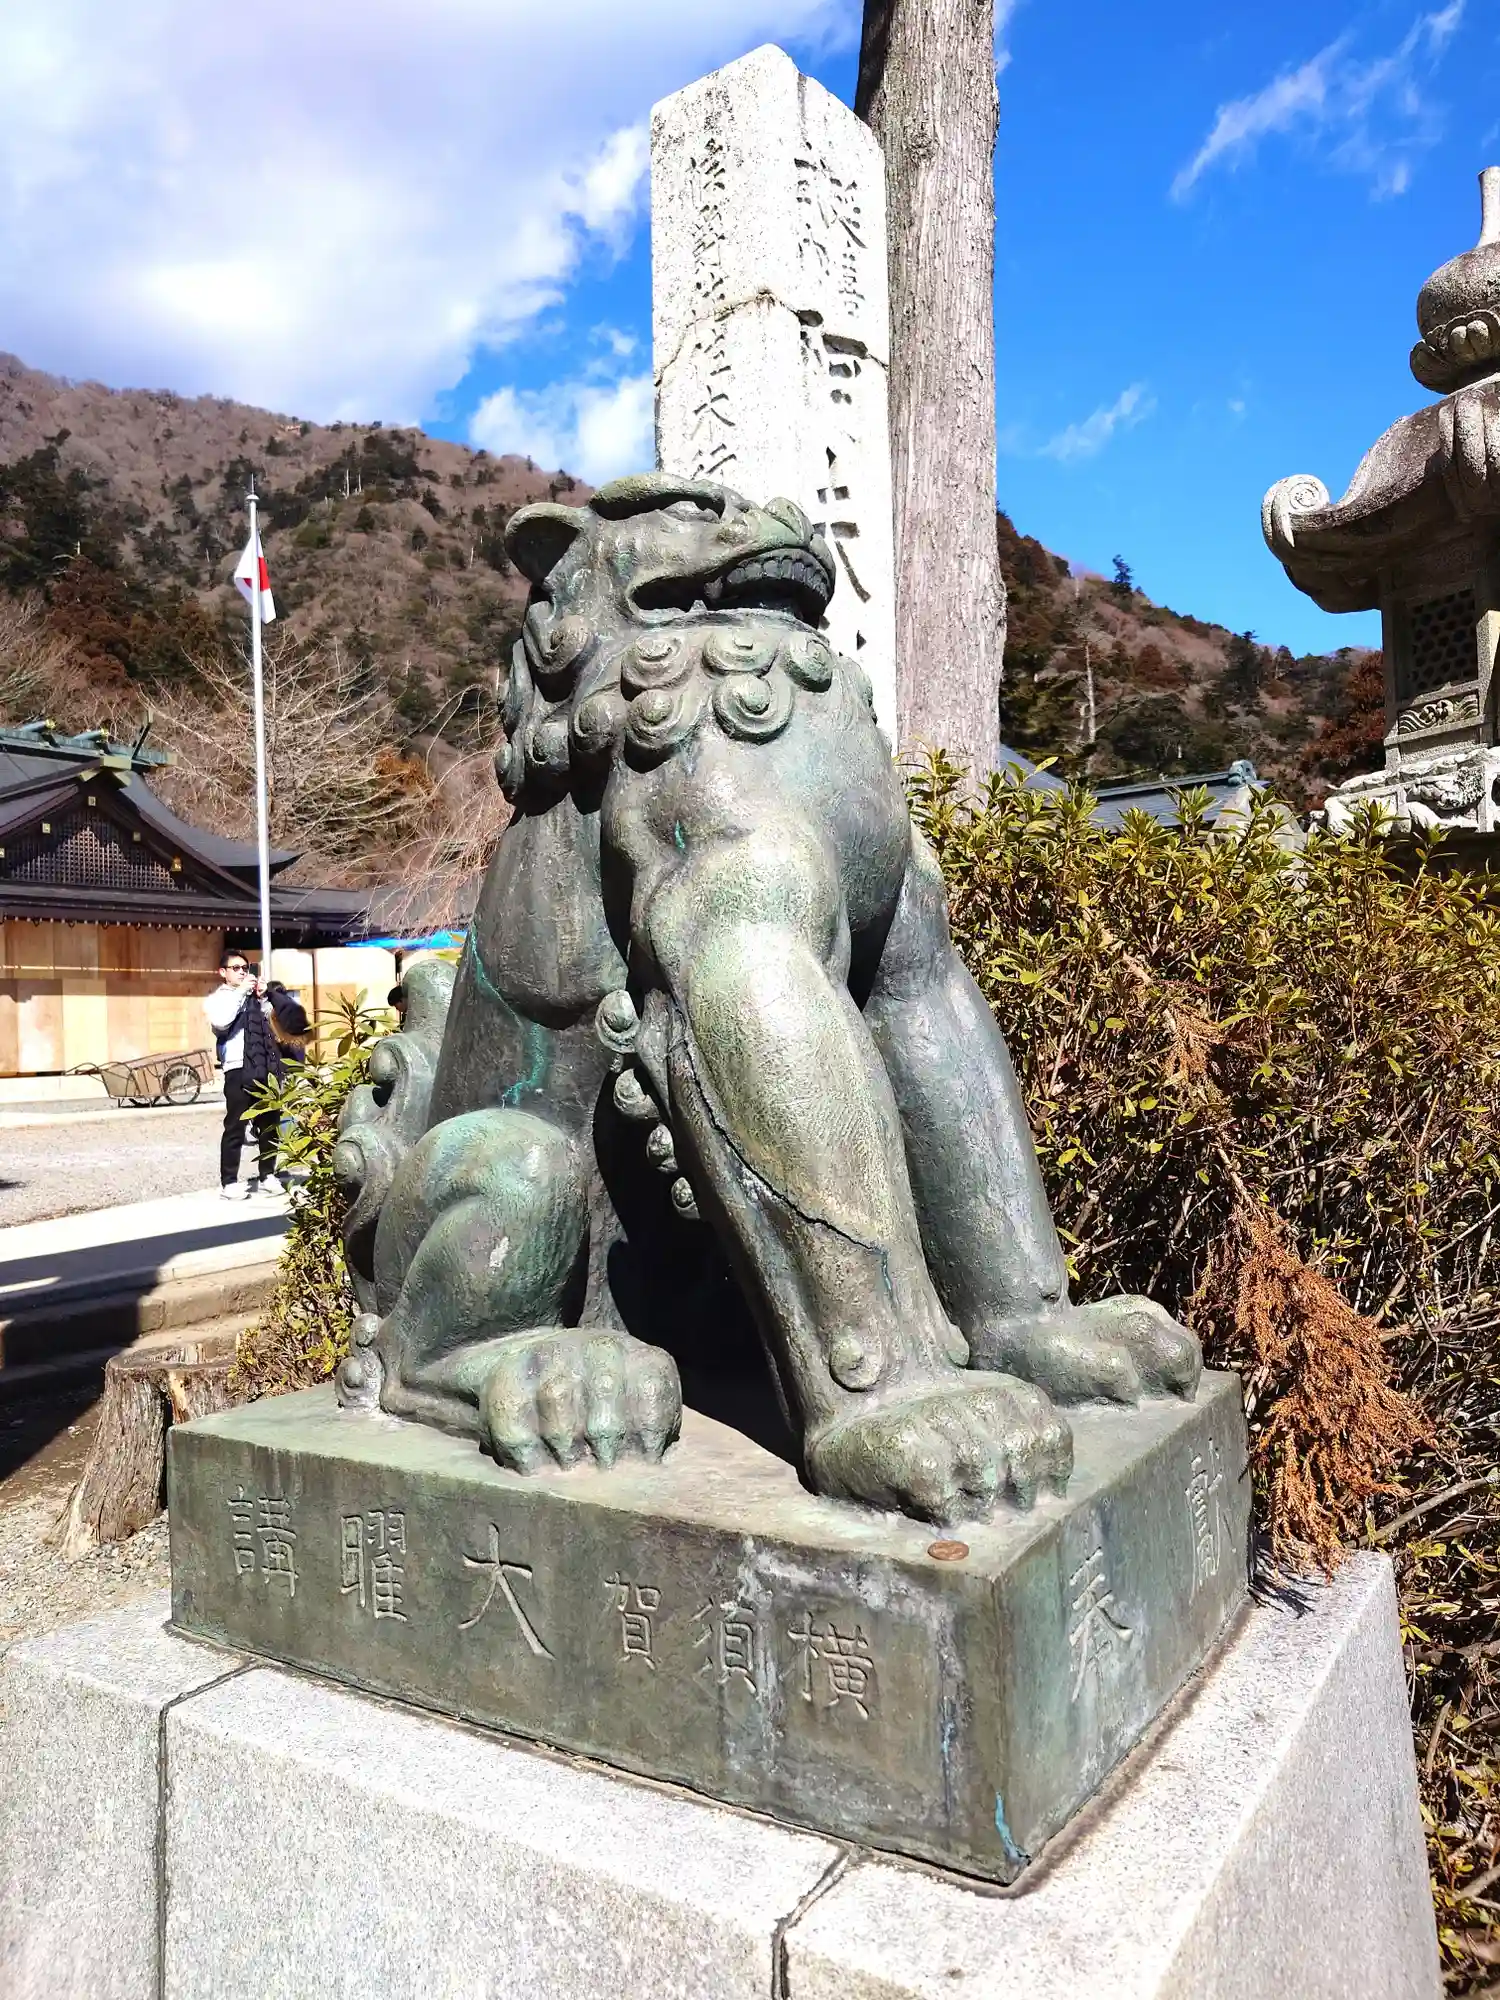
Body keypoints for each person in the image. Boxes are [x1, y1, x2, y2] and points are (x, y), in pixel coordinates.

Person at [203, 949, 286, 1199]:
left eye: (245, 968)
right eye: (236, 968)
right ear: (223, 972)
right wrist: (240, 992)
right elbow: (221, 1022)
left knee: (270, 1122)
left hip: (264, 1066)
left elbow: (276, 1025)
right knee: (236, 1125)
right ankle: (229, 1182)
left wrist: (264, 998)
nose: (241, 972)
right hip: (237, 1067)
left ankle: (267, 1175)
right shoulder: (217, 999)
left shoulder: (254, 998)